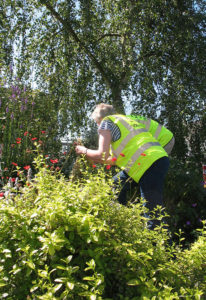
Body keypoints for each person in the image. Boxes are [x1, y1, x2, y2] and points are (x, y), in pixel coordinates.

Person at [75, 103, 174, 228]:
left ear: (99, 118)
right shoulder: (125, 121)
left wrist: (84, 151)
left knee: (153, 214)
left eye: (96, 122)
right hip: (153, 160)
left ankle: (162, 246)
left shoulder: (107, 122)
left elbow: (102, 155)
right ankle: (121, 223)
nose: (97, 126)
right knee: (112, 188)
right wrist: (91, 156)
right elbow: (113, 160)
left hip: (148, 164)